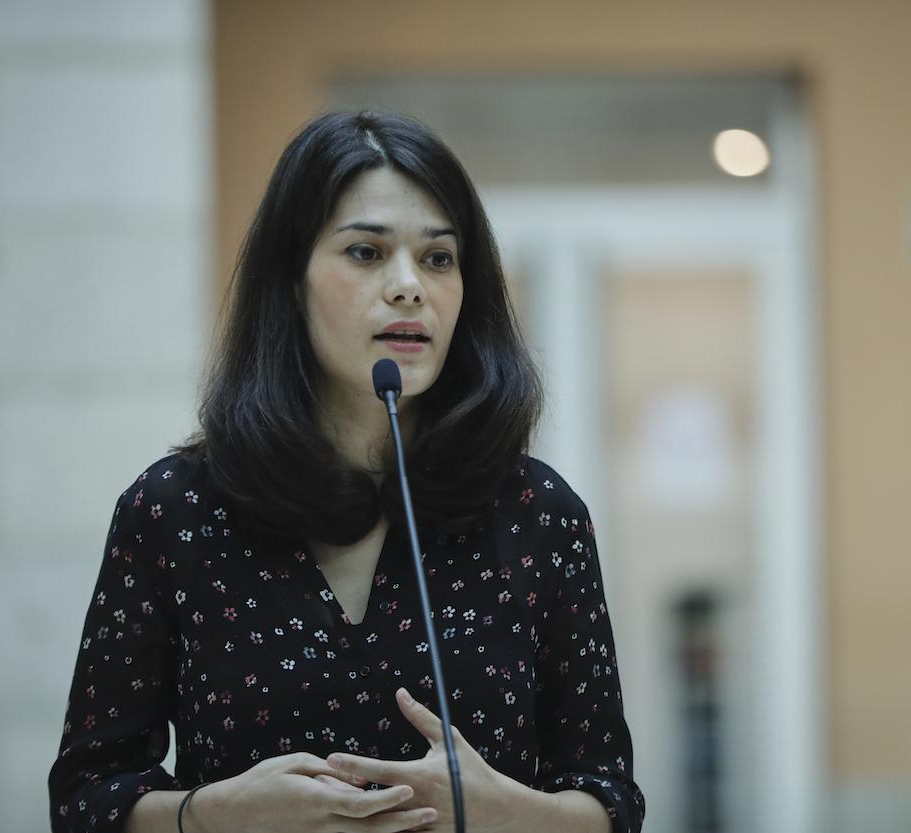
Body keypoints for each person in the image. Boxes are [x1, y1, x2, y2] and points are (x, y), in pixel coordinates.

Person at [48, 110, 645, 833]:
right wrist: (211, 814)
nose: (408, 286)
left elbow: (608, 797)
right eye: (366, 253)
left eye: (438, 258)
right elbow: (86, 797)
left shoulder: (539, 514)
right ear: (291, 280)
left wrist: (504, 811)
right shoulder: (173, 510)